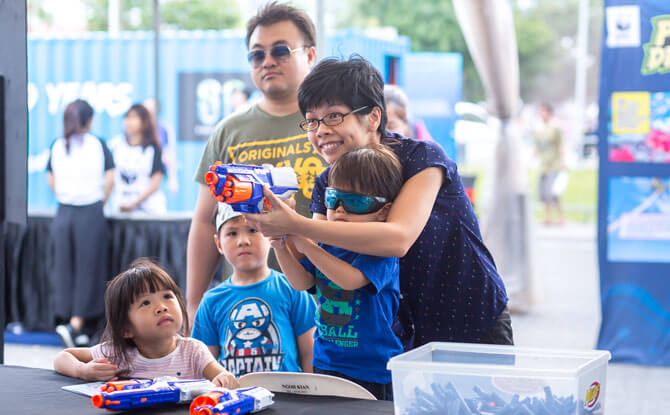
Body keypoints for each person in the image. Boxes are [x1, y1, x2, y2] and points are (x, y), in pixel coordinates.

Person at [244, 56, 513, 350]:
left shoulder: (422, 159)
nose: (320, 130)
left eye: (334, 116)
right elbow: (323, 271)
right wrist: (284, 237)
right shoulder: (326, 182)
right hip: (395, 341)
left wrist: (296, 226)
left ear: (373, 117)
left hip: (469, 320)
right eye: (311, 121)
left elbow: (398, 238)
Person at [186, 2, 323, 329]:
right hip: (245, 311)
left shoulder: (331, 125)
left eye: (280, 50)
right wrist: (193, 305)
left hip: (325, 306)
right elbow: (206, 222)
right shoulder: (228, 131)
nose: (268, 61)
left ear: (310, 55)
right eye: (257, 54)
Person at [271, 146, 404, 400]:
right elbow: (302, 282)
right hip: (326, 362)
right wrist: (281, 246)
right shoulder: (326, 243)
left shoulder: (381, 250)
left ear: (383, 211)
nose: (340, 210)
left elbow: (350, 279)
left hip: (373, 369)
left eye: (354, 202)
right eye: (333, 199)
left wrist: (303, 240)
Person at [53, 258, 238, 388]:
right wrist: (83, 370)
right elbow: (62, 357)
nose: (161, 307)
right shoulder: (118, 353)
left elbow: (223, 377)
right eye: (145, 303)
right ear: (125, 329)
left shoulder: (193, 351)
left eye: (167, 296)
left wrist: (224, 379)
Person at [191, 203, 316, 377]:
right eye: (232, 233)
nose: (243, 241)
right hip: (233, 400)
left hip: (289, 398)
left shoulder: (293, 288)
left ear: (269, 233)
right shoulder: (211, 301)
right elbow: (204, 364)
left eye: (252, 230)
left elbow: (309, 352)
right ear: (218, 243)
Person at [47, 99, 114, 348]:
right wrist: (100, 200)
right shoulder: (98, 144)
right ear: (89, 120)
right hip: (90, 211)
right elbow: (110, 178)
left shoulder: (57, 145)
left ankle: (67, 319)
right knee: (88, 268)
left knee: (65, 268)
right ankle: (77, 325)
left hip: (63, 212)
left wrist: (65, 196)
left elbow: (50, 178)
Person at [108, 104, 167, 214]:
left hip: (149, 212)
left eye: (133, 117)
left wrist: (133, 204)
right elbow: (110, 177)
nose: (128, 122)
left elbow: (155, 183)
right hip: (120, 211)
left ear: (144, 122)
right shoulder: (116, 146)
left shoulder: (153, 149)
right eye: (127, 117)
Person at [534, 103, 565, 225]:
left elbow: (560, 145)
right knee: (543, 193)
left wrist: (563, 162)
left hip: (554, 165)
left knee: (551, 193)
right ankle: (548, 217)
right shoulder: (539, 130)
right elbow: (537, 147)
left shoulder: (555, 128)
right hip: (543, 165)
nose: (542, 115)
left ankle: (558, 217)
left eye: (544, 112)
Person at [143, 98, 179, 194]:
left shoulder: (164, 129)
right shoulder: (138, 128)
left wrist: (173, 178)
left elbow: (168, 154)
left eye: (150, 109)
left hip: (157, 174)